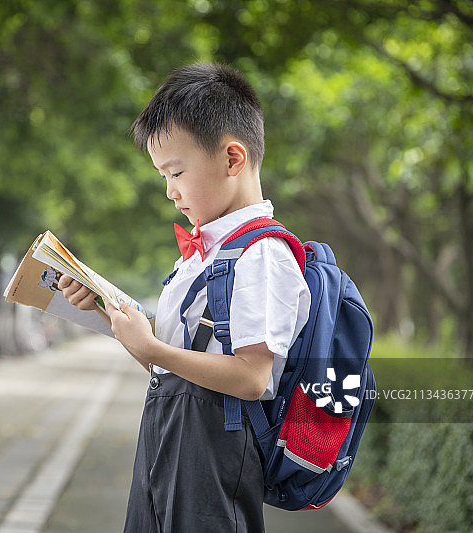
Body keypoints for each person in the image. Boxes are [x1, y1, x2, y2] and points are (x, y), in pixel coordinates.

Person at [58, 63, 310, 532]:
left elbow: (251, 378)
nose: (170, 191)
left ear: (232, 159)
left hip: (213, 459)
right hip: (168, 444)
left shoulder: (261, 255)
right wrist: (111, 317)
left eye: (176, 172)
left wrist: (153, 348)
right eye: (163, 175)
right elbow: (175, 372)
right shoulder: (202, 254)